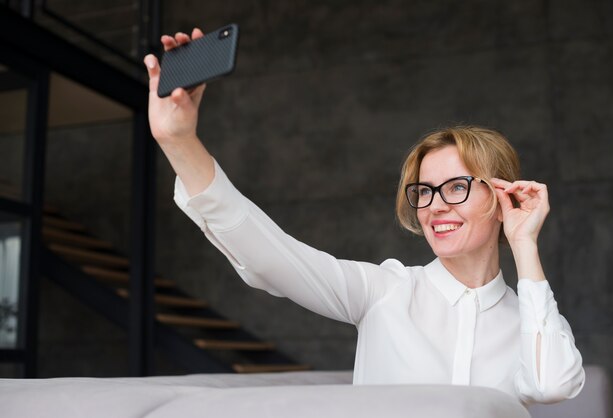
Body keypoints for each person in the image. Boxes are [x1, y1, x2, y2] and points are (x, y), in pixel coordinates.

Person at [144, 28, 585, 406]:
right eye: (424, 191)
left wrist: (524, 244)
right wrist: (179, 143)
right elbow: (269, 258)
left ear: (500, 196)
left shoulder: (530, 316)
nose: (435, 205)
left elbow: (551, 386)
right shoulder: (385, 291)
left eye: (456, 187)